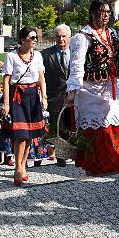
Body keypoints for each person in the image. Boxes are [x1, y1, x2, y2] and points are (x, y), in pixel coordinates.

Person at [65, 0, 119, 176]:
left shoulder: (111, 34)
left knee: (114, 127)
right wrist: (72, 91)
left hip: (110, 89)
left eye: (107, 12)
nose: (105, 15)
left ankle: (113, 165)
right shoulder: (83, 37)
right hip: (90, 91)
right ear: (92, 14)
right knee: (95, 131)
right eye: (101, 12)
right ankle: (95, 168)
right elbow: (77, 65)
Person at [2, 26, 47, 186]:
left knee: (30, 135)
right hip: (18, 96)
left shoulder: (38, 56)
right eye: (32, 37)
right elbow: (6, 80)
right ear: (22, 39)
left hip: (33, 96)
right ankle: (17, 167)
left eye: (36, 38)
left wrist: (44, 97)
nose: (35, 40)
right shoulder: (11, 56)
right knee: (20, 134)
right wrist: (6, 103)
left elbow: (41, 77)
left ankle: (22, 165)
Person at [41, 24, 72, 166]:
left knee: (74, 124)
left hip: (75, 95)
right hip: (55, 96)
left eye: (63, 36)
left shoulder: (77, 53)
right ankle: (61, 155)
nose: (61, 39)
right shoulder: (46, 55)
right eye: (58, 36)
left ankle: (77, 151)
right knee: (59, 126)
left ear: (69, 37)